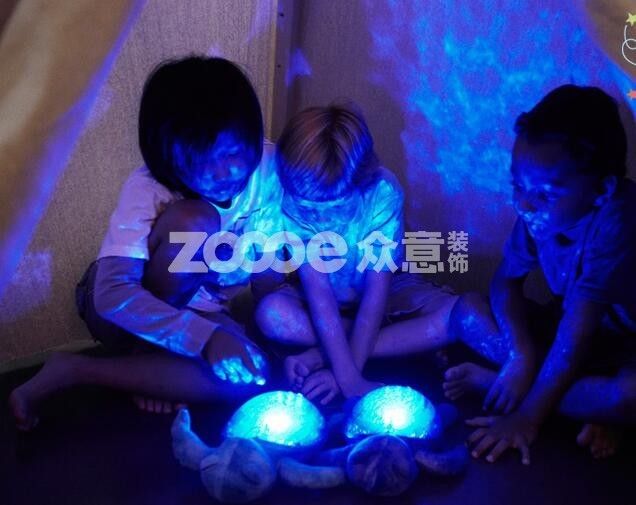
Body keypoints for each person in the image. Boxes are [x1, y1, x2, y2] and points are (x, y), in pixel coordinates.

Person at [9, 56, 281, 430]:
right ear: (167, 158)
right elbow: (112, 295)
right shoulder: (148, 188)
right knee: (196, 220)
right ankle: (148, 358)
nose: (224, 172)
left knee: (248, 377)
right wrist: (204, 340)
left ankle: (84, 369)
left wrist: (268, 337)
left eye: (233, 152)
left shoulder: (271, 167)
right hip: (119, 307)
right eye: (200, 161)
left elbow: (269, 272)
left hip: (198, 309)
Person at [442, 85, 636, 462]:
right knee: (466, 311)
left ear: (602, 190)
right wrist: (521, 353)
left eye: (545, 195)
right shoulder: (537, 214)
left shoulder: (618, 221)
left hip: (621, 345)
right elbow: (504, 282)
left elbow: (579, 330)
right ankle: (568, 398)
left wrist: (526, 418)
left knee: (628, 396)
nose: (524, 204)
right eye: (517, 185)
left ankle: (509, 387)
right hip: (570, 337)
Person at [255, 103, 458, 404]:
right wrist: (350, 380)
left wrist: (342, 376)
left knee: (458, 316)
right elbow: (319, 295)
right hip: (320, 302)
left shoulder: (382, 191)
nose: (321, 218)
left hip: (388, 293)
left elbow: (377, 291)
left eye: (335, 206)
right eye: (308, 207)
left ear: (360, 183)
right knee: (270, 313)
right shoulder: (289, 197)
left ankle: (323, 353)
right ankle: (399, 343)